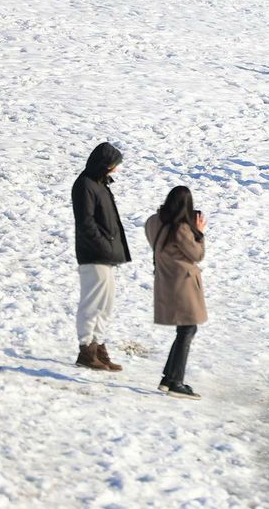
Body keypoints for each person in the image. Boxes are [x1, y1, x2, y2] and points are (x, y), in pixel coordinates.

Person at [71, 141, 131, 372]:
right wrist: (104, 245)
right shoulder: (85, 185)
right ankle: (86, 350)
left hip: (106, 254)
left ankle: (99, 348)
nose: (117, 169)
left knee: (106, 304)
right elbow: (86, 222)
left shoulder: (100, 184)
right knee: (92, 303)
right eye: (114, 164)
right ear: (105, 164)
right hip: (93, 254)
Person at [145, 187, 207, 400]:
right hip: (183, 283)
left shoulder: (154, 221)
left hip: (165, 279)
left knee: (185, 330)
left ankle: (169, 377)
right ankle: (175, 382)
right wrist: (198, 232)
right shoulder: (181, 229)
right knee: (188, 329)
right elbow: (197, 254)